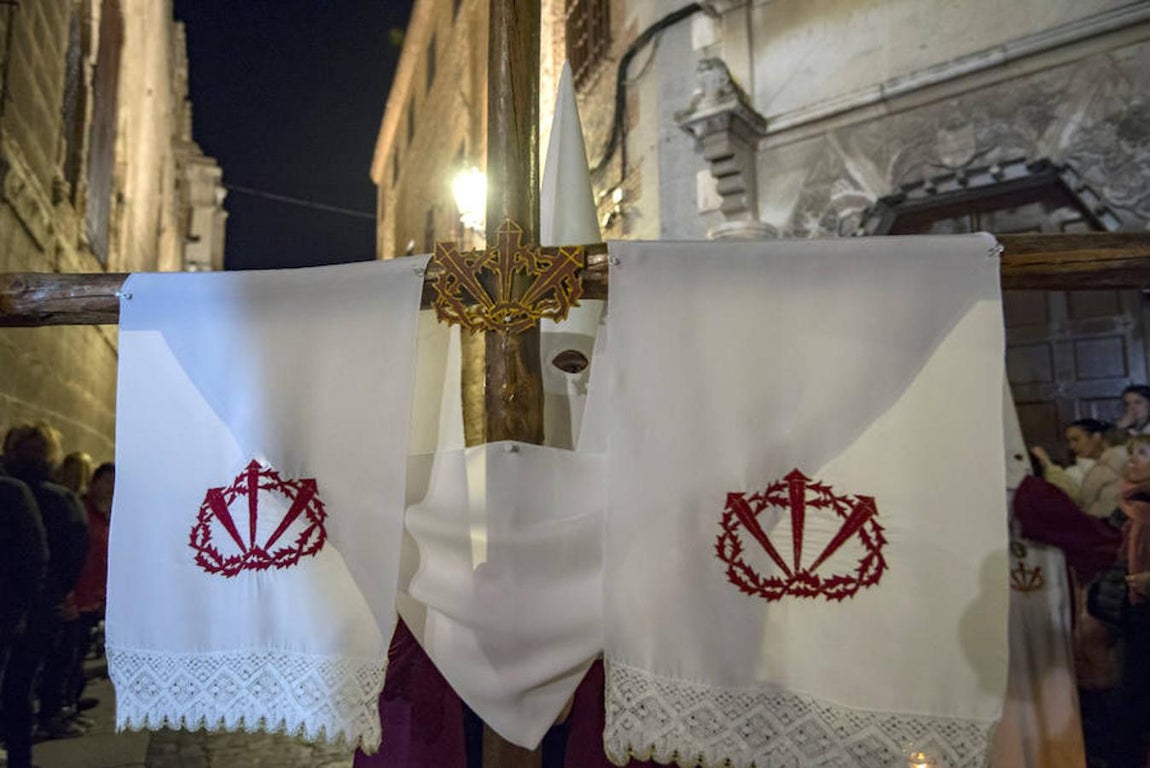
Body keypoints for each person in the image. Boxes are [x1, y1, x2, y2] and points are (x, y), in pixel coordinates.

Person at [0, 423, 88, 768]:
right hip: (35, 608)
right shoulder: (57, 499)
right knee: (19, 686)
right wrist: (58, 595)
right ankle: (19, 758)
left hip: (22, 604)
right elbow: (68, 555)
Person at [1110, 434, 1150, 766]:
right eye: (1131, 453)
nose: (1132, 460)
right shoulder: (1130, 502)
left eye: (1143, 453)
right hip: (1136, 607)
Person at [67, 461, 114, 717]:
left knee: (80, 648)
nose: (111, 487)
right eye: (107, 481)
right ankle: (63, 705)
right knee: (70, 651)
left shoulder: (107, 514)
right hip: (78, 592)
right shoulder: (81, 510)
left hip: (95, 593)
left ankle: (71, 700)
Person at [1032, 418, 1127, 519]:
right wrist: (1047, 463)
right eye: (1069, 441)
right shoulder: (1071, 473)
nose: (1071, 446)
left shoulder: (1125, 460)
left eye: (1076, 440)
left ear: (1096, 437)